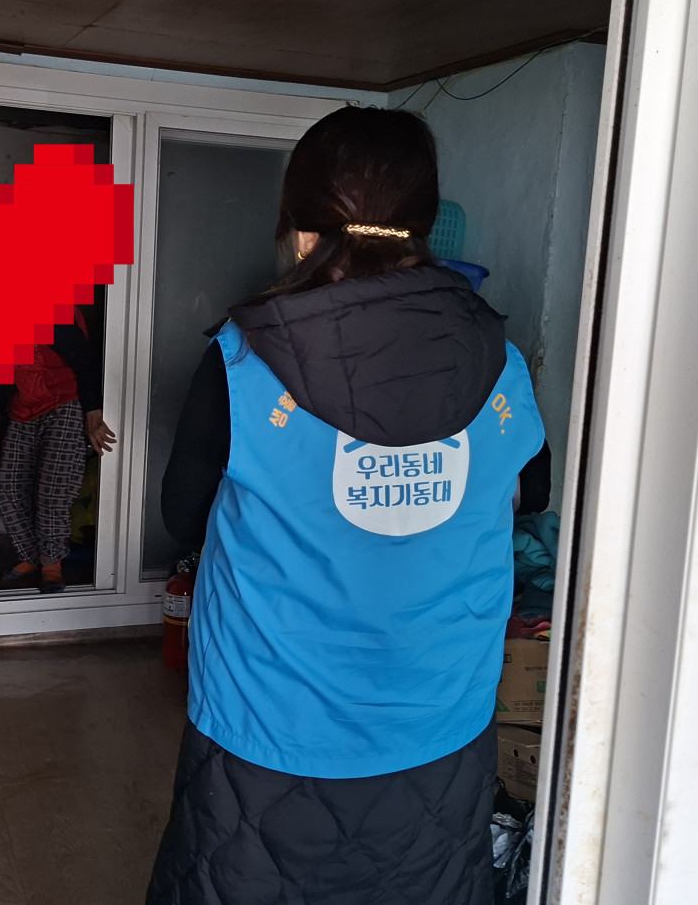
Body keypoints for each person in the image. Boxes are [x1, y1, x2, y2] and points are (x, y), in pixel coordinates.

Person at [146, 106, 548, 905]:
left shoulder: (240, 363)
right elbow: (529, 492)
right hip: (441, 723)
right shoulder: (498, 359)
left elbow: (181, 516)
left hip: (268, 730)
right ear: (425, 225)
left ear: (300, 233)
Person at [0, 310, 116, 593]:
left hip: (63, 404)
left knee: (53, 490)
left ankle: (52, 564)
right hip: (24, 409)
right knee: (9, 486)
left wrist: (93, 411)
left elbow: (85, 361)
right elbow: (1, 370)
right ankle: (31, 557)